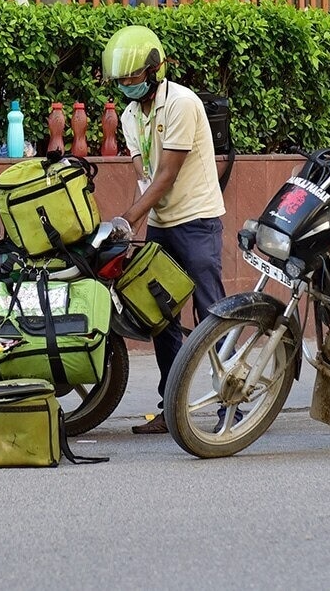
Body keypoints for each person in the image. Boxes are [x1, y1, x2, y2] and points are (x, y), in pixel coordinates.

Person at [100, 25, 228, 434]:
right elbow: (143, 169)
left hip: (196, 220)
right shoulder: (129, 114)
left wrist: (127, 219)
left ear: (155, 69)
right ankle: (172, 406)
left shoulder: (182, 103)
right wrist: (142, 211)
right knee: (160, 315)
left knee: (211, 311)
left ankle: (233, 404)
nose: (127, 87)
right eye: (120, 81)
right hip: (161, 223)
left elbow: (166, 175)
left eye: (133, 78)